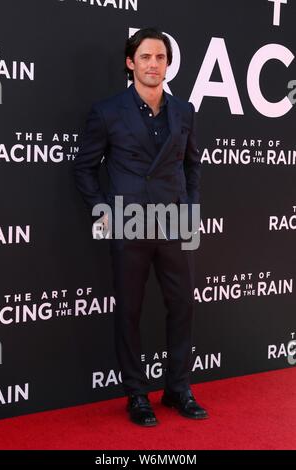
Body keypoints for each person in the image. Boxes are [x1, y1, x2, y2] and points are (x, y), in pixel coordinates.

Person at [74, 27, 208, 426]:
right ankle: (137, 394)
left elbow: (192, 165)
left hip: (174, 221)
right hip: (129, 221)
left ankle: (177, 388)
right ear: (131, 63)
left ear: (168, 64)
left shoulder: (184, 111)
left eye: (161, 58)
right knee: (129, 311)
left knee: (182, 305)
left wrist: (192, 210)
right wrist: (103, 211)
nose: (154, 65)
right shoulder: (107, 111)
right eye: (146, 57)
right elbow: (84, 169)